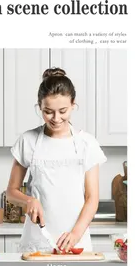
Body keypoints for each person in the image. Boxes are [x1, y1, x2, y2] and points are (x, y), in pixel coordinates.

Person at [6, 67, 107, 253]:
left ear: (73, 105)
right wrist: (28, 200)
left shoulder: (87, 144)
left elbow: (92, 198)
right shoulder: (27, 141)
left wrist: (75, 234)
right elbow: (11, 191)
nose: (56, 118)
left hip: (76, 238)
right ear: (39, 106)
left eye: (63, 111)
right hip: (36, 240)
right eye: (48, 111)